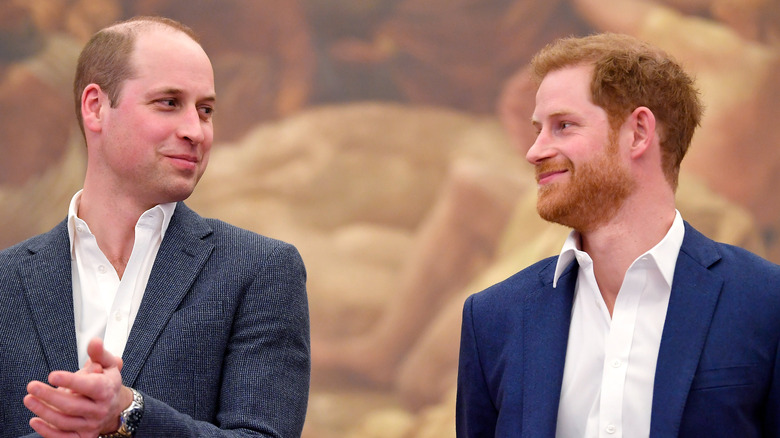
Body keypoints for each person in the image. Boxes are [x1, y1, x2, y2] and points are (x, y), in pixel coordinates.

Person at [456, 33, 780, 437]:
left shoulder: (767, 301)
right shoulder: (493, 318)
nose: (534, 151)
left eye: (563, 126)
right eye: (539, 129)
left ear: (639, 132)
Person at [0, 16, 310, 437]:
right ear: (95, 107)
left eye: (206, 110)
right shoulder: (6, 281)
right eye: (168, 102)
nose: (195, 131)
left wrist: (130, 413)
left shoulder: (261, 270)